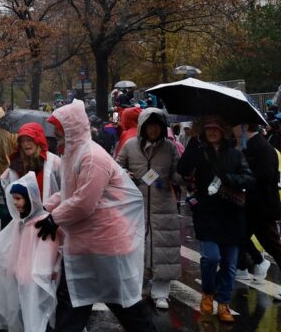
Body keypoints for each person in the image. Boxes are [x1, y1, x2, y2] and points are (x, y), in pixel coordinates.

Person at [38, 100, 155, 332]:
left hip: (106, 247)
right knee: (76, 304)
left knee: (124, 306)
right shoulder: (75, 155)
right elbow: (69, 193)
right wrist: (44, 209)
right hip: (89, 246)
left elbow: (84, 203)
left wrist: (54, 217)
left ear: (71, 132)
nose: (57, 140)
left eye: (60, 135)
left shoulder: (92, 157)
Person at [177, 116, 255, 322]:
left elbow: (249, 178)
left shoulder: (236, 155)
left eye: (216, 129)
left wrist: (230, 178)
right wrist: (193, 144)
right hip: (207, 214)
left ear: (223, 131)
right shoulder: (199, 151)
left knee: (229, 264)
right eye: (208, 129)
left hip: (232, 215)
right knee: (211, 258)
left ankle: (223, 304)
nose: (212, 132)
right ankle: (208, 292)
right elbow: (182, 169)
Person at [0, 173, 62, 332]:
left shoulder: (42, 223)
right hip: (20, 278)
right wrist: (9, 267)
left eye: (18, 198)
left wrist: (48, 272)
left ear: (30, 198)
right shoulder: (20, 222)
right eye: (13, 199)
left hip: (36, 280)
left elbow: (50, 252)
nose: (15, 203)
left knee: (39, 316)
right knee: (23, 315)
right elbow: (13, 248)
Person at [116, 108, 182, 310]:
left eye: (157, 125)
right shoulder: (130, 146)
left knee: (164, 249)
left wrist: (188, 170)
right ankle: (141, 287)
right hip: (136, 206)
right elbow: (116, 169)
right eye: (149, 125)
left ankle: (161, 292)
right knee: (138, 247)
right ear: (142, 126)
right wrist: (126, 174)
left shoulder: (170, 148)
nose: (153, 129)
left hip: (163, 206)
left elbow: (177, 176)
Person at [233, 123, 281, 285]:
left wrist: (241, 177)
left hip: (263, 207)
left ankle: (256, 263)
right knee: (237, 236)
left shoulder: (262, 147)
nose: (232, 129)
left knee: (273, 245)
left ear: (245, 126)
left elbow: (265, 176)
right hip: (250, 206)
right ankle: (251, 264)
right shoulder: (248, 146)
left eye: (235, 125)